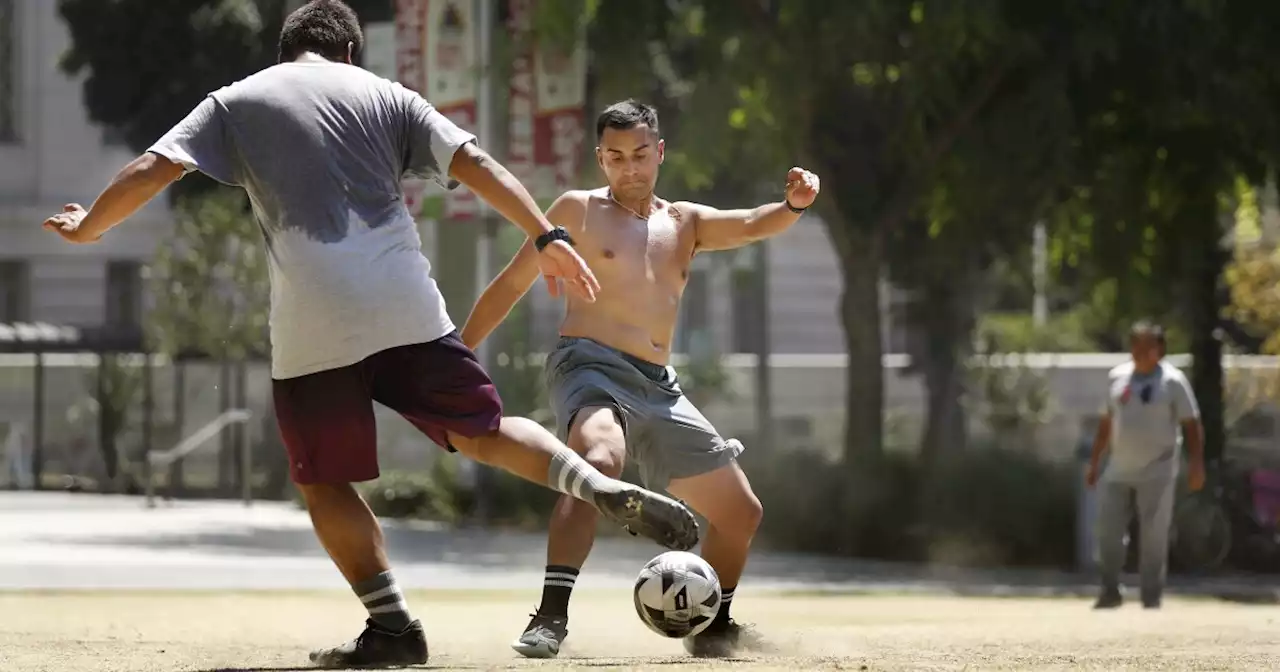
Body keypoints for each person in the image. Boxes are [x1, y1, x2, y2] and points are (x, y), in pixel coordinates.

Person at [39, 3, 698, 668]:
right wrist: (546, 234)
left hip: (311, 322)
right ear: (350, 53)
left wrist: (90, 225)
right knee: (482, 429)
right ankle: (594, 485)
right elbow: (476, 163)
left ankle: (393, 629)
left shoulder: (237, 99)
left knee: (325, 483)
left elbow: (156, 167)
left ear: (286, 50)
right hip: (404, 302)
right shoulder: (390, 96)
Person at [460, 99, 820, 658]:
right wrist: (458, 355)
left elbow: (752, 224)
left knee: (741, 513)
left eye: (640, 155)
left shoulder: (686, 222)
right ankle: (550, 617)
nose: (629, 168)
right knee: (596, 464)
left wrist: (794, 204)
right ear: (600, 158)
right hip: (588, 365)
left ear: (659, 153)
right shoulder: (574, 211)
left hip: (659, 386)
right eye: (615, 157)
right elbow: (510, 285)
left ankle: (714, 626)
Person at [1086, 320, 1204, 610]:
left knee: (1154, 534)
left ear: (1160, 350)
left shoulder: (1173, 381)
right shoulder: (1117, 377)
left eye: (1147, 345)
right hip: (1118, 468)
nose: (1140, 351)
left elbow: (1191, 424)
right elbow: (1105, 423)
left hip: (1158, 469)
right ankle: (1109, 589)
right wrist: (1094, 462)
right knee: (1108, 530)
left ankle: (1151, 595)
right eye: (1135, 345)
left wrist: (1196, 463)